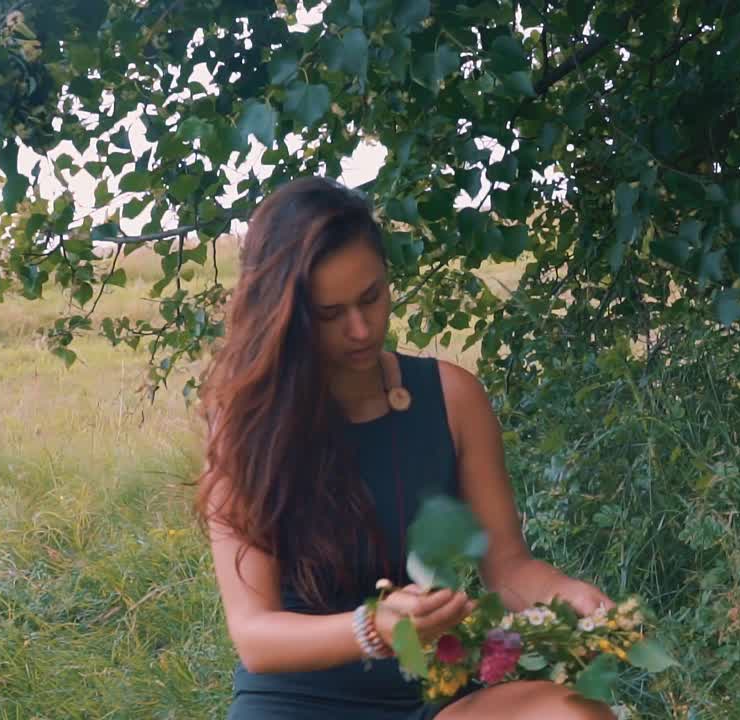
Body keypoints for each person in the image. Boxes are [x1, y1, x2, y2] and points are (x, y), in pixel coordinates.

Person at [195, 176, 617, 720]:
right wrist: (372, 628)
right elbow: (254, 635)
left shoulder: (452, 398)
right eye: (330, 314)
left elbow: (507, 568)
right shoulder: (246, 423)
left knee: (575, 714)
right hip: (297, 704)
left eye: (372, 296)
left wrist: (567, 596)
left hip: (433, 699)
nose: (361, 328)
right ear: (287, 317)